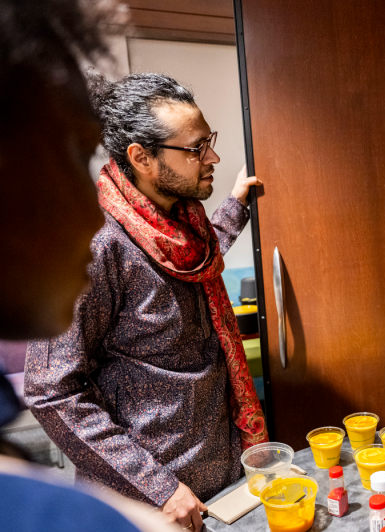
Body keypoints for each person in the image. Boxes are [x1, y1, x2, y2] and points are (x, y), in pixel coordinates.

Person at [24, 73, 268, 530]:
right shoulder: (96, 247)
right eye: (196, 148)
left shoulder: (185, 224)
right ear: (141, 158)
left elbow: (189, 261)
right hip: (152, 504)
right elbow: (51, 391)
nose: (212, 157)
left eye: (209, 142)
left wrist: (236, 205)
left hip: (225, 483)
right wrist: (159, 487)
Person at [0, 1, 177, 531]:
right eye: (77, 153)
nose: (91, 213)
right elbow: (55, 388)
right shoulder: (113, 245)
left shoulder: (186, 230)